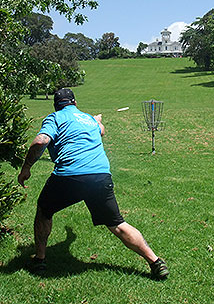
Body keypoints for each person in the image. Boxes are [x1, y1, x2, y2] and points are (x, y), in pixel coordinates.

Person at [17, 88, 169, 280]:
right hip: (100, 176)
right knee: (117, 224)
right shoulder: (88, 119)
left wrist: (26, 167)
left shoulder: (54, 118)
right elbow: (102, 131)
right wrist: (97, 121)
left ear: (57, 105)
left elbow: (41, 141)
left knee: (44, 211)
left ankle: (39, 260)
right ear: (74, 103)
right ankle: (155, 262)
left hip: (69, 177)